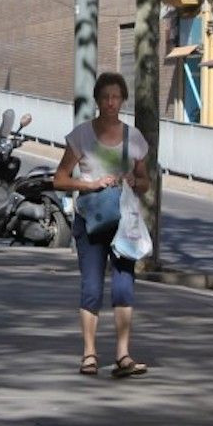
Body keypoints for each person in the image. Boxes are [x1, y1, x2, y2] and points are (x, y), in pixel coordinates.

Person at [53, 71, 150, 379]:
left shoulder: (134, 138)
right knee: (92, 286)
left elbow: (146, 182)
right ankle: (89, 354)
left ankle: (123, 354)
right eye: (105, 97)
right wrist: (91, 184)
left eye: (116, 97)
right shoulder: (81, 135)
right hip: (90, 220)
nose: (110, 103)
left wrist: (136, 180)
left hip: (124, 223)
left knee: (124, 287)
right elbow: (60, 179)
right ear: (97, 100)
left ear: (123, 100)